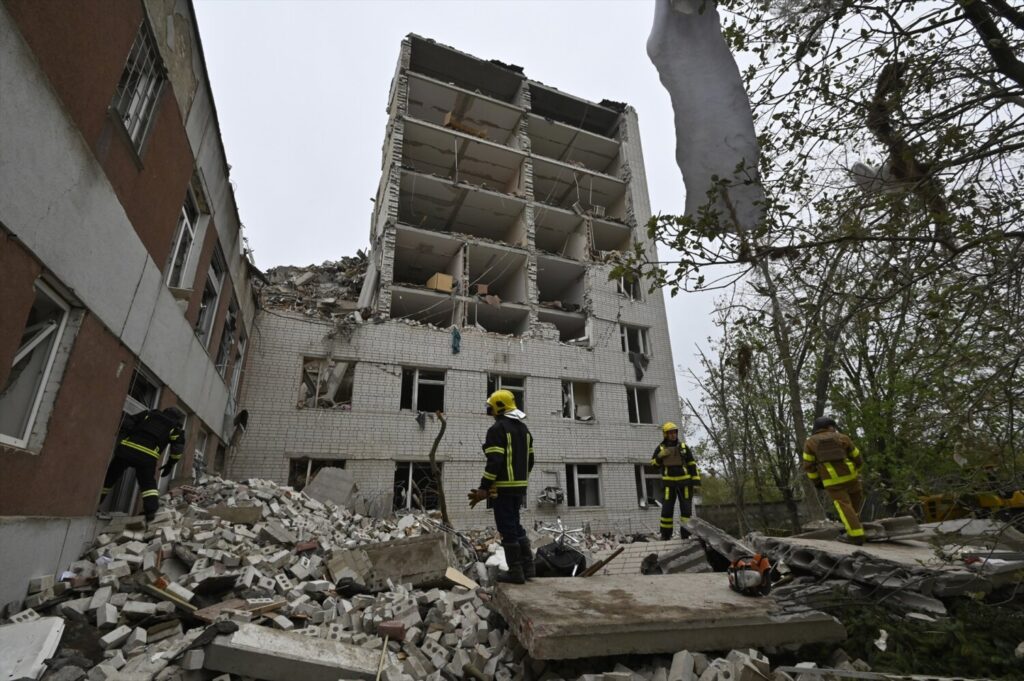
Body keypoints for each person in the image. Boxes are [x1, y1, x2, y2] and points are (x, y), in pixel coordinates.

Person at [468, 390, 535, 584]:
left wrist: (484, 487)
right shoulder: (524, 429)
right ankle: (528, 568)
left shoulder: (497, 429)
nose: (489, 410)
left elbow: (495, 461)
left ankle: (516, 572)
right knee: (516, 525)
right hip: (519, 488)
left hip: (502, 489)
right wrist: (519, 480)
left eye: (490, 406)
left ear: (499, 407)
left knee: (507, 528)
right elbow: (530, 460)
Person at [100, 406, 185, 521]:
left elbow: (127, 422)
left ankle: (95, 503)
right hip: (147, 456)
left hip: (126, 450)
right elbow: (177, 449)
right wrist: (171, 463)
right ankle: (150, 513)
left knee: (109, 478)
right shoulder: (174, 428)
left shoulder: (149, 414)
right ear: (178, 419)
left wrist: (128, 437)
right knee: (148, 484)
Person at [802, 416, 865, 545]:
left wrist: (817, 482)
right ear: (830, 427)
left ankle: (855, 535)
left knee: (844, 506)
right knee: (855, 502)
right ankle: (856, 526)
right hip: (851, 477)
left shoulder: (810, 443)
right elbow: (857, 457)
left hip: (832, 481)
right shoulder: (843, 437)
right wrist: (857, 470)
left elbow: (809, 466)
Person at [650, 421, 701, 540]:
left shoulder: (683, 447)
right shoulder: (661, 448)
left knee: (686, 511)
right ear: (665, 434)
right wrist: (659, 457)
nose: (673, 435)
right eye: (670, 433)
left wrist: (696, 483)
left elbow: (692, 465)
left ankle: (686, 535)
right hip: (669, 484)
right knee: (667, 511)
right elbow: (653, 465)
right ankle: (666, 535)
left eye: (674, 432)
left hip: (685, 484)